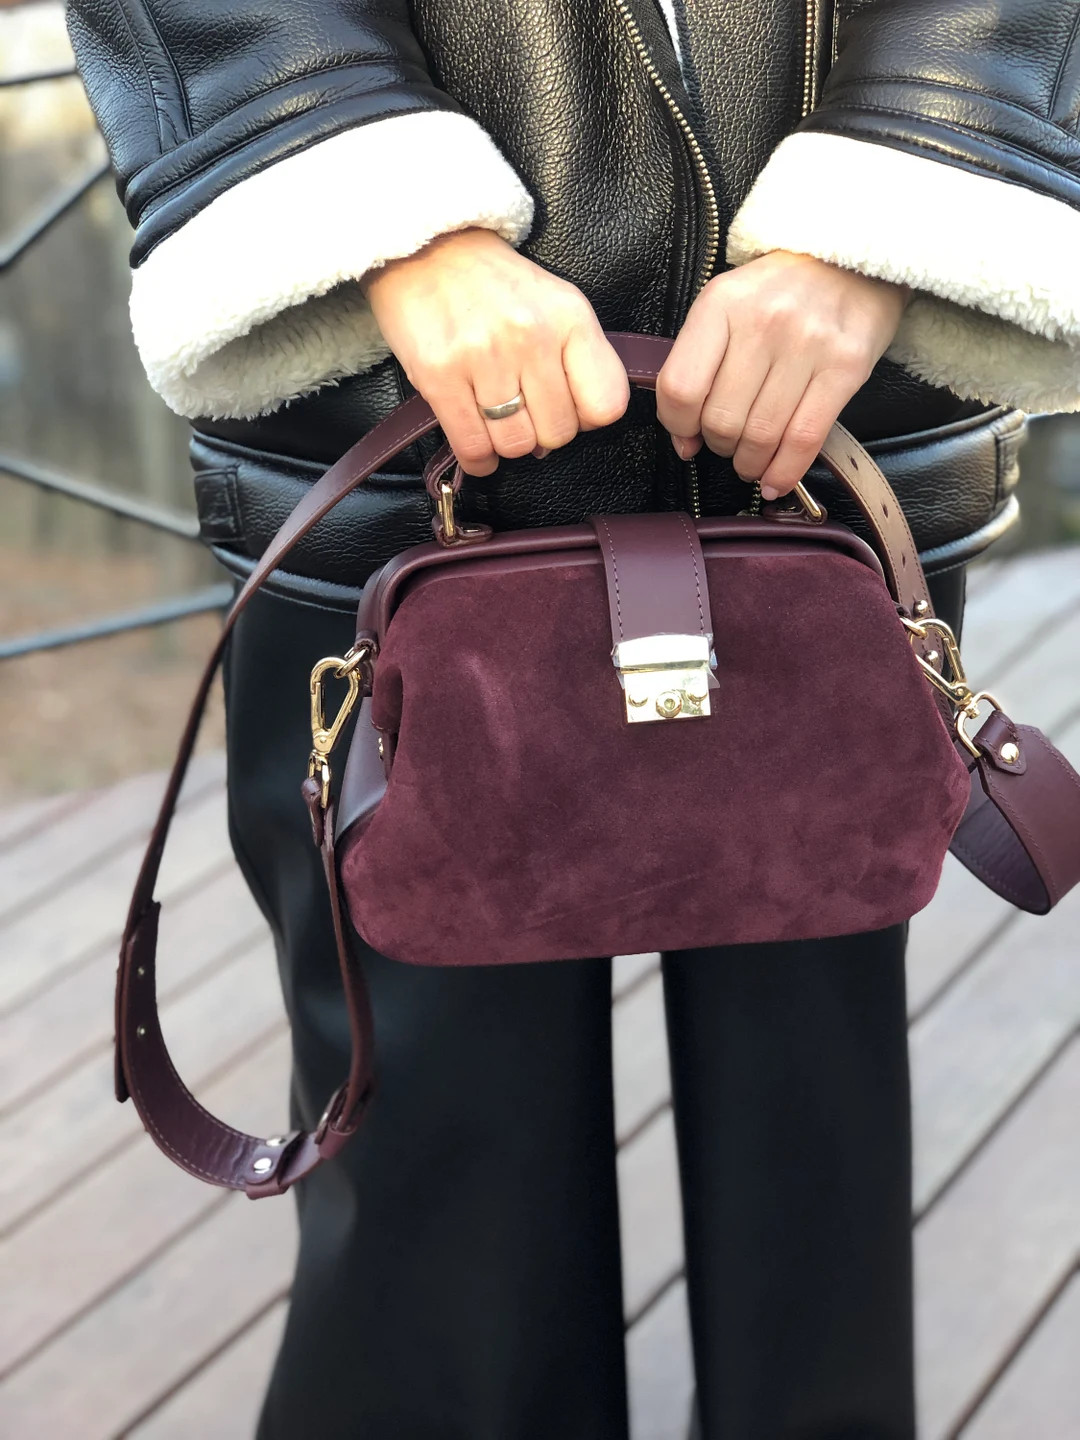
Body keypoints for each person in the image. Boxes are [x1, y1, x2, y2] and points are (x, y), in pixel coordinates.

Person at [66, 3, 1080, 1436]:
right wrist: (376, 198)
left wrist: (897, 178)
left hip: (834, 402)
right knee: (429, 1159)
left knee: (814, 1146)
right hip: (401, 407)